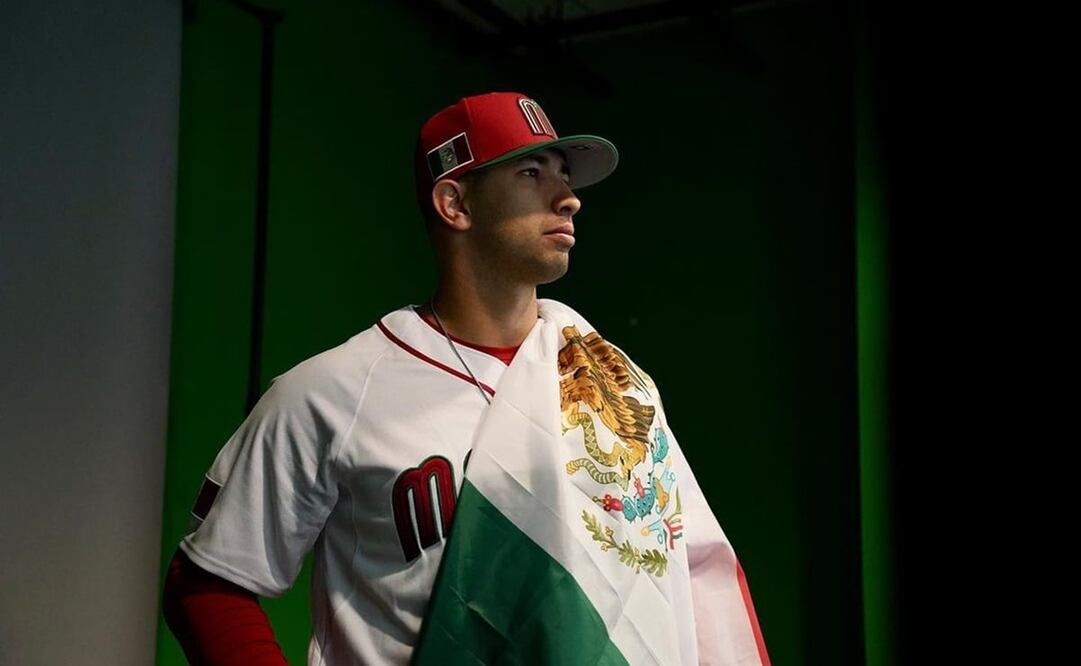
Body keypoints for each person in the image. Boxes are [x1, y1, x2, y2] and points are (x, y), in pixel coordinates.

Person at [163, 91, 771, 665]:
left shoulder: (618, 387)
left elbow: (700, 572)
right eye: (532, 173)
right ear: (456, 203)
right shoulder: (331, 393)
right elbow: (208, 583)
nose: (568, 197)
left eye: (564, 174)